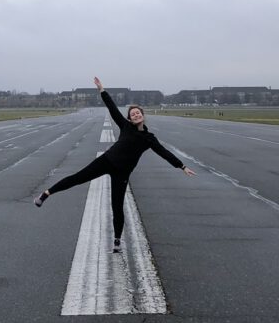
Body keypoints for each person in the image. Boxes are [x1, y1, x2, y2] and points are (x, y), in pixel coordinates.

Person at [35, 77, 196, 253]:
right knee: (77, 178)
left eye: (138, 113)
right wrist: (102, 90)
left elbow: (164, 153)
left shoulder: (149, 139)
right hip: (106, 161)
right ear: (130, 118)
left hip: (122, 174)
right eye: (132, 114)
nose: (135, 115)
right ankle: (46, 194)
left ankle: (117, 240)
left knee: (117, 206)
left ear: (143, 115)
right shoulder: (125, 126)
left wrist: (181, 166)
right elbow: (112, 108)